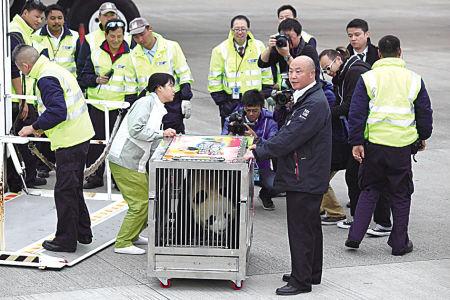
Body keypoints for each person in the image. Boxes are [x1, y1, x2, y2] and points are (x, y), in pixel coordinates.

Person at [244, 56, 331, 295]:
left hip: (304, 174)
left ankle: (301, 280)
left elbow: (290, 137)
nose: (293, 76)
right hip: (305, 172)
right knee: (310, 224)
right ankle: (310, 271)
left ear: (312, 74)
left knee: (301, 228)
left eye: (298, 71)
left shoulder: (313, 104)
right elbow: (286, 127)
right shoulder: (305, 97)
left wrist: (259, 149)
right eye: (291, 71)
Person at [345, 35, 433, 256]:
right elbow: (424, 112)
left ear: (379, 54)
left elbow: (356, 113)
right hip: (401, 146)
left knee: (369, 189)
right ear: (400, 52)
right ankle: (399, 244)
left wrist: (356, 141)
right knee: (401, 194)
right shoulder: (414, 79)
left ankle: (355, 237)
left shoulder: (368, 78)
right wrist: (423, 136)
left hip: (374, 145)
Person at [15, 45, 95, 253]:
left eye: (21, 70)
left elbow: (58, 111)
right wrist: (43, 126)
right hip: (80, 134)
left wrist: (33, 127)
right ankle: (82, 232)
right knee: (74, 187)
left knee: (64, 191)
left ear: (25, 65)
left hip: (70, 140)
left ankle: (66, 240)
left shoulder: (45, 78)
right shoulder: (53, 68)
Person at [108, 73, 177, 255]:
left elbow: (151, 139)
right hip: (125, 160)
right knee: (140, 203)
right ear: (159, 88)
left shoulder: (157, 107)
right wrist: (163, 135)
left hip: (134, 160)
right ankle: (123, 242)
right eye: (171, 85)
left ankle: (133, 235)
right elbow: (136, 130)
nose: (174, 90)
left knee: (148, 199)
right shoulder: (145, 103)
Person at [78, 18, 137, 189]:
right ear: (106, 35)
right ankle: (94, 176)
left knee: (121, 146)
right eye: (112, 36)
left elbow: (135, 82)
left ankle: (119, 179)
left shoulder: (132, 55)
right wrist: (96, 79)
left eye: (119, 36)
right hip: (98, 106)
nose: (116, 40)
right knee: (96, 143)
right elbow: (82, 78)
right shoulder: (96, 53)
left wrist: (130, 104)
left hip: (121, 108)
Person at [32, 4, 80, 179]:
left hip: (68, 90)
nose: (56, 22)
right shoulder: (36, 38)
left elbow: (80, 64)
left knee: (66, 126)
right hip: (46, 88)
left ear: (64, 19)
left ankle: (64, 163)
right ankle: (43, 164)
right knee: (46, 124)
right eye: (52, 18)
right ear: (46, 19)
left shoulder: (75, 37)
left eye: (59, 18)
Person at [128, 17, 194, 134]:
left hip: (172, 102)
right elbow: (131, 86)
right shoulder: (133, 56)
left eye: (142, 34)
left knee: (174, 139)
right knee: (152, 139)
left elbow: (184, 74)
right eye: (136, 37)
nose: (140, 39)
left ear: (150, 29)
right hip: (149, 105)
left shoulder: (171, 47)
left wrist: (185, 98)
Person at [7, 0, 47, 192]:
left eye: (41, 18)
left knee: (24, 139)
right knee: (20, 139)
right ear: (25, 13)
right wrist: (22, 100)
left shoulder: (24, 31)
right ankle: (19, 181)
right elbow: (14, 70)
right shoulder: (15, 32)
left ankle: (25, 177)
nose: (39, 21)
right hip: (17, 98)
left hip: (23, 96)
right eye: (36, 16)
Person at [208, 15, 273, 128]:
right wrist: (222, 103)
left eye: (243, 29)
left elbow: (266, 72)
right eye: (236, 29)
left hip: (254, 101)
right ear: (231, 30)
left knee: (256, 136)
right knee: (231, 137)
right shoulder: (220, 50)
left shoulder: (259, 46)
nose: (240, 32)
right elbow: (214, 78)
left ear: (248, 29)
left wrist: (264, 95)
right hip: (231, 102)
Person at [222, 89, 278, 210]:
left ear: (261, 107)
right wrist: (231, 136)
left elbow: (274, 145)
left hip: (261, 167)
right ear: (243, 107)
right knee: (222, 185)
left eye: (255, 111)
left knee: (278, 184)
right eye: (248, 110)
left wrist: (256, 139)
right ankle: (234, 197)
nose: (251, 114)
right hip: (238, 167)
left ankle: (265, 196)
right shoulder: (233, 119)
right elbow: (222, 144)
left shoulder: (270, 121)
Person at [76, 2, 132, 79]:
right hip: (98, 88)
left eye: (112, 15)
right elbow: (81, 67)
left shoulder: (129, 37)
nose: (109, 18)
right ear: (99, 17)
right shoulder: (90, 38)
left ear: (117, 16)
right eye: (105, 15)